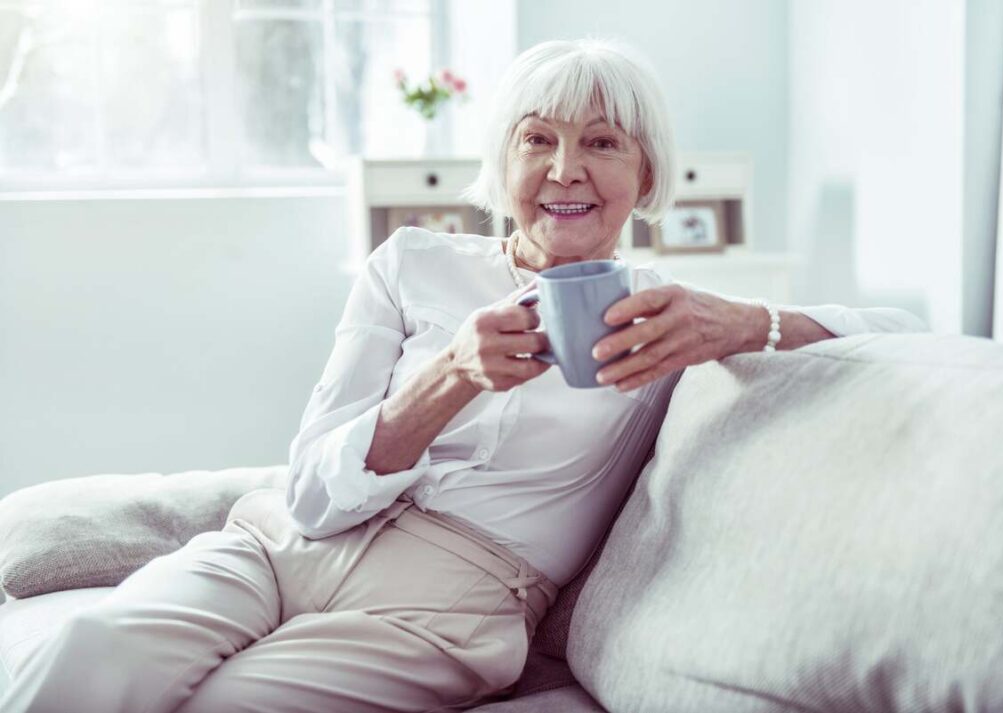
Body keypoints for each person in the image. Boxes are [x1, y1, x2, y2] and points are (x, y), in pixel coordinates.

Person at [2, 38, 925, 713]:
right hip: (280, 542)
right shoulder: (410, 265)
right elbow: (316, 490)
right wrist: (449, 374)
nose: (566, 168)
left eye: (603, 142)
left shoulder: (665, 319)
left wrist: (746, 321)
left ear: (647, 178)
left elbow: (904, 333)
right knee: (89, 651)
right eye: (538, 139)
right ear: (504, 161)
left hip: (448, 605)